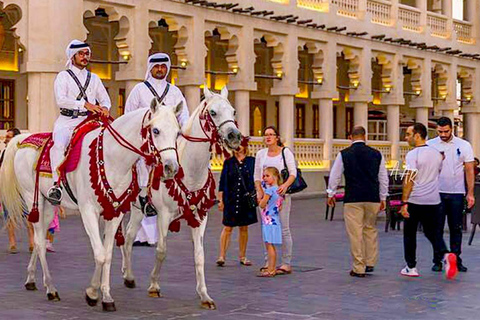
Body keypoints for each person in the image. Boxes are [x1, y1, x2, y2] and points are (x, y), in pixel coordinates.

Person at [125, 52, 189, 218]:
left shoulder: (174, 91)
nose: (160, 69)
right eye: (156, 67)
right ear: (150, 68)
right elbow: (128, 114)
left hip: (166, 140)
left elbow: (184, 116)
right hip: (144, 139)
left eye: (163, 66)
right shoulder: (139, 90)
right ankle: (143, 197)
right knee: (141, 163)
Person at [47, 40, 111, 204]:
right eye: (81, 54)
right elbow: (61, 100)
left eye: (87, 54)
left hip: (90, 120)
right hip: (68, 120)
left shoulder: (94, 78)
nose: (84, 57)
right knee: (59, 144)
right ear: (72, 56)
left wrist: (104, 107)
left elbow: (105, 99)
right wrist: (84, 104)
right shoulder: (63, 76)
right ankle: (56, 185)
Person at [327, 126, 388, 277]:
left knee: (355, 233)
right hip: (372, 197)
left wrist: (331, 193)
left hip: (353, 197)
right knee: (370, 229)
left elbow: (335, 175)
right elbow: (383, 177)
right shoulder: (376, 154)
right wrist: (383, 196)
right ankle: (370, 262)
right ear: (365, 137)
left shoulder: (344, 154)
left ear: (350, 137)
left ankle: (358, 266)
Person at [400, 123, 458, 279]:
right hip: (433, 200)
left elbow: (409, 179)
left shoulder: (413, 154)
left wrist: (404, 202)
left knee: (409, 234)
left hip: (415, 200)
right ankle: (446, 254)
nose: (406, 138)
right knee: (432, 232)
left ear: (417, 135)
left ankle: (411, 267)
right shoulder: (437, 154)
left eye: (408, 134)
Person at [427, 117, 475, 272]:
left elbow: (469, 170)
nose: (443, 134)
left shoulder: (464, 145)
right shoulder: (430, 145)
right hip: (436, 193)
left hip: (456, 192)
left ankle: (456, 258)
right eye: (440, 131)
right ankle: (438, 259)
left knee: (456, 228)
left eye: (446, 131)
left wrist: (470, 193)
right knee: (437, 228)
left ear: (451, 129)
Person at [254, 126, 296, 275]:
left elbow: (293, 173)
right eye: (266, 135)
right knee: (267, 228)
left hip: (280, 195)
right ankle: (269, 262)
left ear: (277, 137)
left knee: (284, 228)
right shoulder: (261, 154)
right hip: (265, 196)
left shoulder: (285, 152)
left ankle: (286, 262)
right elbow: (257, 176)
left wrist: (284, 186)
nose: (268, 137)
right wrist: (259, 191)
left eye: (271, 134)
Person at [217, 144, 257, 267]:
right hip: (231, 199)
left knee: (244, 228)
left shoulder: (252, 161)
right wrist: (220, 200)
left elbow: (257, 179)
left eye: (240, 144)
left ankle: (242, 256)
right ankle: (222, 256)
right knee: (228, 227)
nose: (237, 147)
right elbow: (222, 182)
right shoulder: (229, 162)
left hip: (246, 199)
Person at [1, 128, 34, 253]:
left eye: (9, 136)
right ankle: (12, 243)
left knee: (29, 215)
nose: (6, 139)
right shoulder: (4, 153)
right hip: (9, 187)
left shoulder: (23, 153)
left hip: (22, 187)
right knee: (10, 217)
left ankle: (32, 242)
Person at [257, 167, 284, 277]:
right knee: (271, 245)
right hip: (275, 219)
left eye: (267, 176)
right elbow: (280, 207)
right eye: (264, 176)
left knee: (269, 246)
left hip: (268, 221)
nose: (265, 178)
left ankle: (271, 269)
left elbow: (262, 204)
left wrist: (260, 199)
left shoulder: (269, 190)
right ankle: (271, 267)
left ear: (275, 177)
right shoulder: (280, 190)